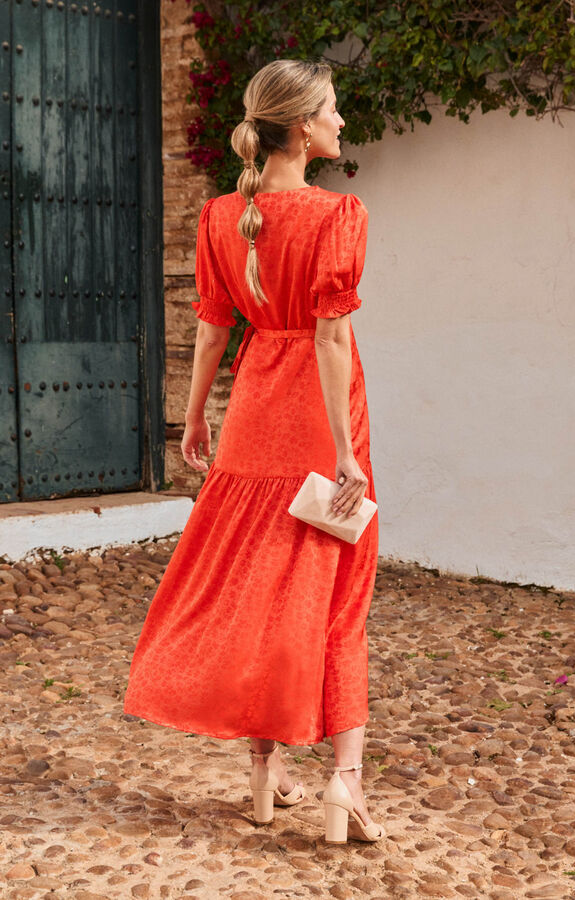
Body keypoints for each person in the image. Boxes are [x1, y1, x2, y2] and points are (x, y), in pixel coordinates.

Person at [123, 58, 385, 844]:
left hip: (250, 419)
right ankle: (346, 782)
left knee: (257, 591)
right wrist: (344, 453)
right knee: (337, 593)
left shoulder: (218, 218)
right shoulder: (340, 216)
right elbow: (332, 337)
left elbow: (211, 327)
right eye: (333, 111)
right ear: (302, 127)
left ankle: (265, 776)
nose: (343, 123)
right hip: (318, 420)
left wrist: (195, 417)